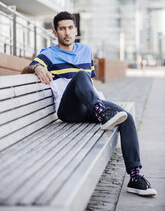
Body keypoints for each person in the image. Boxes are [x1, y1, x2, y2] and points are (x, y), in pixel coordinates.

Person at [22, 11, 157, 196]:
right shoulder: (49, 54)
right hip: (68, 110)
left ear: (76, 29)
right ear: (55, 32)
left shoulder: (85, 50)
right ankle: (102, 113)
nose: (67, 32)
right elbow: (26, 68)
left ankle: (135, 177)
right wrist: (37, 67)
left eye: (70, 28)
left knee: (127, 118)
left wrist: (96, 101)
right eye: (62, 28)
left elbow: (89, 86)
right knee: (80, 75)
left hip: (92, 105)